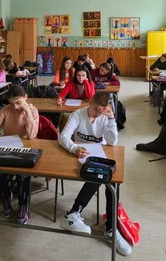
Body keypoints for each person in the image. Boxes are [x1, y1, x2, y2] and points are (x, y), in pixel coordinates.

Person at [59, 92, 132, 256]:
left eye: (102, 110)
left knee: (110, 179)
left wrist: (111, 119)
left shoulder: (105, 117)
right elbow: (63, 137)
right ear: (90, 102)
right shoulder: (77, 115)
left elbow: (113, 142)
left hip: (99, 155)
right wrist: (74, 148)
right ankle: (104, 226)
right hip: (80, 156)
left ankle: (108, 226)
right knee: (101, 175)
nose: (98, 113)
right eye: (95, 109)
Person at [0, 85, 39, 224]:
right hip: (9, 148)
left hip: (27, 149)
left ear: (26, 97)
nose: (16, 107)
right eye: (12, 103)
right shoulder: (7, 109)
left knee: (23, 174)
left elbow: (31, 136)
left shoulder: (33, 110)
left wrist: (27, 112)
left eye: (19, 102)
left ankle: (23, 204)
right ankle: (6, 196)